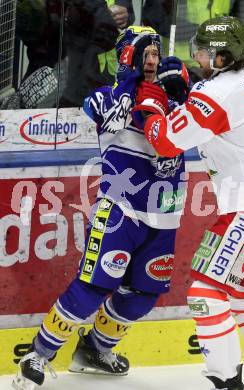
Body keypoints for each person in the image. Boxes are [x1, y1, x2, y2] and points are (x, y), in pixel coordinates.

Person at [132, 16, 244, 390]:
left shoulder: (216, 95)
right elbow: (213, 111)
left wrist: (150, 101)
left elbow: (165, 140)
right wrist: (188, 89)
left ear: (225, 57)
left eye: (204, 52)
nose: (196, 55)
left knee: (206, 293)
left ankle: (227, 384)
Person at [12, 25, 187, 390]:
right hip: (121, 212)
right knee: (93, 285)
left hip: (165, 217)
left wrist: (182, 96)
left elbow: (197, 131)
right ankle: (38, 355)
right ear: (129, 57)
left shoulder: (173, 102)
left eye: (157, 54)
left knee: (145, 294)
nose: (153, 61)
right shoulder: (109, 96)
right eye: (146, 54)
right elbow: (100, 111)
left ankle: (93, 350)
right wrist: (133, 92)